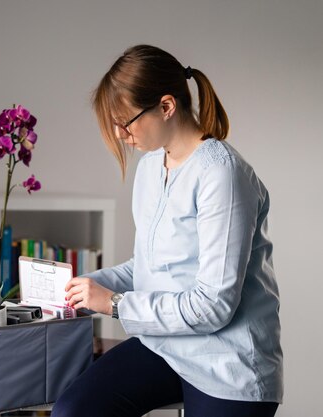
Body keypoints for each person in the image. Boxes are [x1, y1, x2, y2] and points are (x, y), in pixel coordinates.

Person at [51, 45, 283, 417]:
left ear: (167, 106)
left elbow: (214, 306)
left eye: (126, 121)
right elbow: (146, 266)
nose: (120, 134)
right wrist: (84, 287)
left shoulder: (222, 174)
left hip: (226, 364)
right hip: (165, 346)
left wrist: (112, 303)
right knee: (73, 410)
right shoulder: (150, 168)